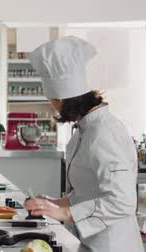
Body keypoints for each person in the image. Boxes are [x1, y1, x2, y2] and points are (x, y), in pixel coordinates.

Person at [24, 36, 142, 251]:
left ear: (62, 100)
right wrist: (55, 203)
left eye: (53, 101)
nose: (53, 108)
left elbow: (122, 201)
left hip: (113, 245)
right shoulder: (85, 129)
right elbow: (90, 190)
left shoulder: (105, 132)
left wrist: (66, 213)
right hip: (92, 242)